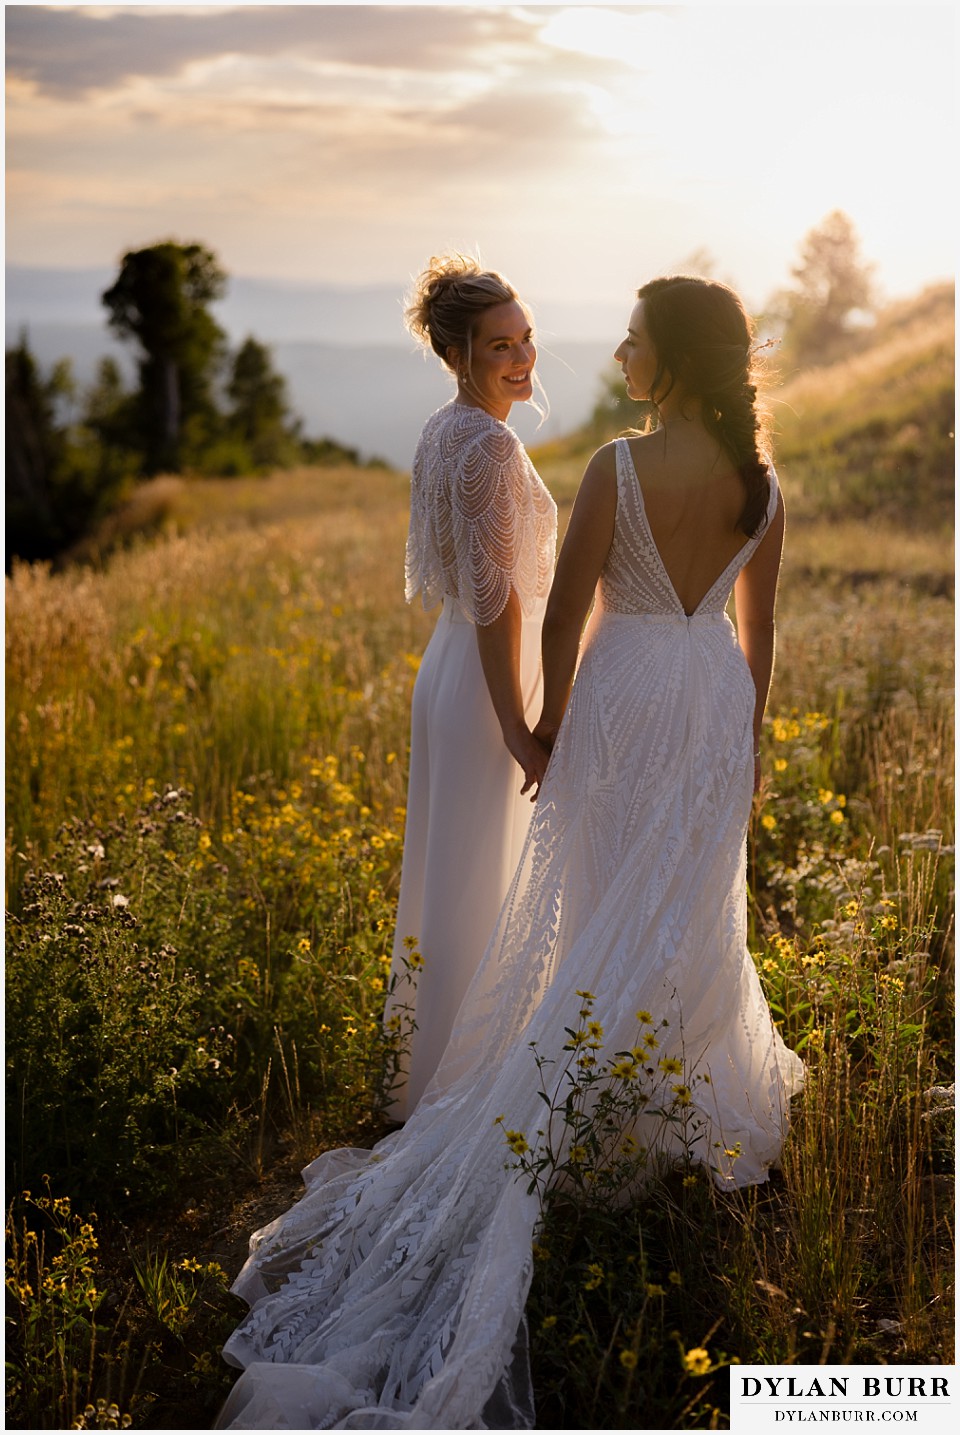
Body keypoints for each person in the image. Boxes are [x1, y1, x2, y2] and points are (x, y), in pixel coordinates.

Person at [215, 275, 804, 1431]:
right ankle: (671, 1097)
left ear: (674, 359)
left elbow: (563, 615)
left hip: (626, 698)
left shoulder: (617, 469)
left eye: (634, 339)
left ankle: (593, 1089)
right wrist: (747, 740)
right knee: (691, 905)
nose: (618, 353)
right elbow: (760, 631)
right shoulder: (764, 485)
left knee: (595, 901)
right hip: (710, 702)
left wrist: (553, 727)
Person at [381, 254, 557, 1120]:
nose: (522, 359)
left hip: (452, 670)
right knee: (482, 879)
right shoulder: (487, 444)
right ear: (458, 356)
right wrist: (518, 726)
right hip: (489, 681)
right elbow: (497, 602)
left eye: (526, 339)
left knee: (456, 876)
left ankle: (437, 1079)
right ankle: (471, 1096)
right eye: (500, 347)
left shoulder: (445, 426)